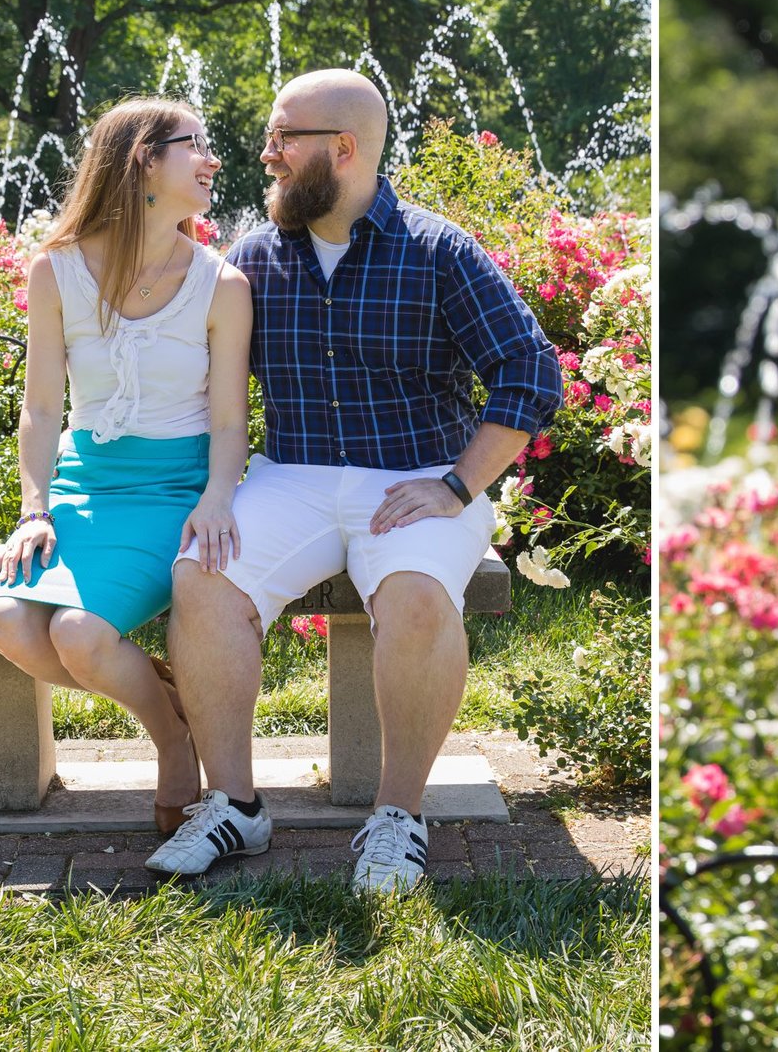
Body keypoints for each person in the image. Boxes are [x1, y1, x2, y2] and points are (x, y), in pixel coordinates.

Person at [153, 68, 560, 899]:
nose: (264, 154)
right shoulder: (254, 256)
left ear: (342, 149)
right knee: (201, 575)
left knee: (416, 596)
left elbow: (530, 371)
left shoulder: (439, 249)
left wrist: (456, 486)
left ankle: (398, 818)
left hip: (414, 476)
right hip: (291, 475)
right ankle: (234, 804)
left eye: (281, 138)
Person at [0, 98, 251, 835]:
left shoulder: (220, 283)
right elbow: (41, 408)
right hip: (83, 486)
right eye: (194, 144)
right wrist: (33, 506)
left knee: (80, 633)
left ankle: (172, 738)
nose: (211, 159)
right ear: (144, 161)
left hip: (175, 489)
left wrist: (219, 496)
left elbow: (230, 420)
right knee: (6, 619)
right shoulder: (56, 270)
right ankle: (171, 703)